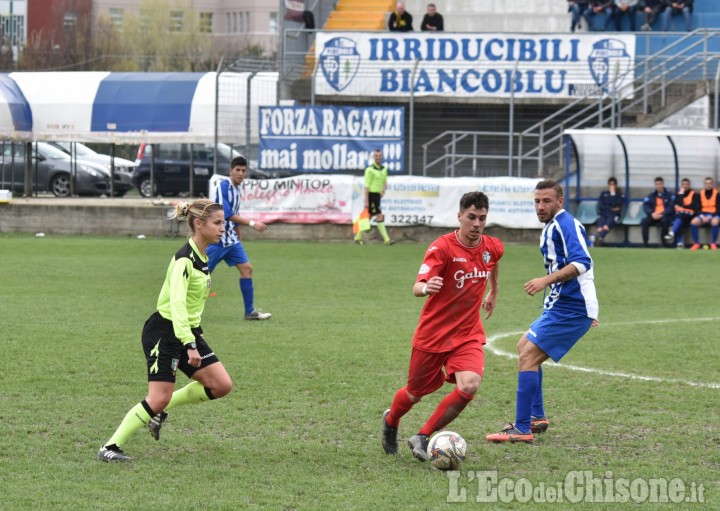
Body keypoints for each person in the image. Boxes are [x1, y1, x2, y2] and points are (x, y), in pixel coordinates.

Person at [98, 199, 233, 462]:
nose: (222, 228)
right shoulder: (185, 259)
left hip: (186, 331)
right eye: (217, 223)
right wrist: (190, 344)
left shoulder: (202, 256)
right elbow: (177, 304)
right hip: (165, 332)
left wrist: (192, 337)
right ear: (198, 223)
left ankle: (158, 410)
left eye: (223, 223)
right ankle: (110, 447)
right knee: (157, 397)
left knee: (221, 385)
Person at [381, 191, 503, 461]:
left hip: (468, 333)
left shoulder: (492, 246)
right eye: (471, 217)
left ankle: (423, 435)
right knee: (414, 394)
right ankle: (391, 420)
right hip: (433, 335)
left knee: (469, 385)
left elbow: (493, 263)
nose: (477, 224)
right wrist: (427, 287)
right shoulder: (442, 248)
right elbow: (416, 286)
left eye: (482, 218)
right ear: (459, 216)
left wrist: (493, 291)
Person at [486, 180, 598, 444]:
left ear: (560, 202)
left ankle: (522, 428)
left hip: (572, 307)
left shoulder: (564, 223)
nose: (540, 206)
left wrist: (545, 281)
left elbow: (583, 262)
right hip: (565, 304)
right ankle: (536, 417)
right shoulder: (554, 225)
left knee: (527, 356)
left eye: (546, 201)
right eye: (537, 201)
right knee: (523, 345)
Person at [208, 156, 271, 320]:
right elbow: (227, 214)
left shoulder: (237, 190)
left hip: (231, 240)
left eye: (244, 171)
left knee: (247, 268)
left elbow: (235, 216)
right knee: (201, 275)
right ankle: (179, 309)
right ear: (230, 171)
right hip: (216, 239)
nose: (241, 173)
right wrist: (252, 223)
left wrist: (239, 238)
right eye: (238, 170)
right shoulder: (223, 187)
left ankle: (250, 312)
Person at [354, 149, 394, 246]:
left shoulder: (384, 169)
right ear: (373, 157)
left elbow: (385, 181)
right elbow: (367, 185)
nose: (378, 157)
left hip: (377, 196)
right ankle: (387, 240)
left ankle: (358, 237)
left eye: (379, 155)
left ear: (382, 157)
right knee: (379, 215)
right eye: (376, 156)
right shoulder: (369, 169)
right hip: (371, 194)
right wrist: (367, 200)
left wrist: (383, 190)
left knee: (370, 216)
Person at [664, 178, 699, 248]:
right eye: (683, 184)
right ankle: (679, 242)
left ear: (689, 185)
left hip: (691, 215)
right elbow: (677, 205)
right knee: (679, 220)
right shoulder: (679, 194)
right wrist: (681, 196)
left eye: (686, 184)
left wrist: (683, 207)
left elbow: (693, 206)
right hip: (681, 215)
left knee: (679, 217)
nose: (685, 186)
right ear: (681, 185)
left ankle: (674, 235)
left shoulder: (694, 194)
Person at [641, 176, 674, 247]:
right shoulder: (651, 195)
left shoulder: (669, 194)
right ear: (655, 185)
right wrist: (651, 213)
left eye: (660, 184)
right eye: (657, 184)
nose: (658, 186)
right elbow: (646, 205)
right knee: (644, 221)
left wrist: (663, 214)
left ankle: (663, 242)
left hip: (663, 215)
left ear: (663, 184)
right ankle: (645, 243)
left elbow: (671, 207)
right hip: (654, 215)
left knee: (665, 221)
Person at [689, 177, 720, 251]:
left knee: (715, 222)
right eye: (706, 183)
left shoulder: (717, 193)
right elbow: (697, 207)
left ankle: (713, 243)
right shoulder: (700, 194)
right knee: (693, 222)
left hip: (714, 214)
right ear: (704, 184)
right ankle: (696, 243)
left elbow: (719, 208)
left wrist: (711, 216)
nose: (708, 185)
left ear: (712, 184)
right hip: (703, 215)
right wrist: (701, 216)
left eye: (710, 183)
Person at [594, 177, 625, 245]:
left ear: (616, 185)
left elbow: (618, 206)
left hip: (613, 214)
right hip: (603, 214)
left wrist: (612, 194)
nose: (611, 186)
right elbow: (601, 206)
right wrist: (611, 208)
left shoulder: (619, 195)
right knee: (600, 226)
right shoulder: (603, 194)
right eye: (610, 184)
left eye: (613, 184)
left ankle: (599, 239)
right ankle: (597, 238)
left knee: (607, 225)